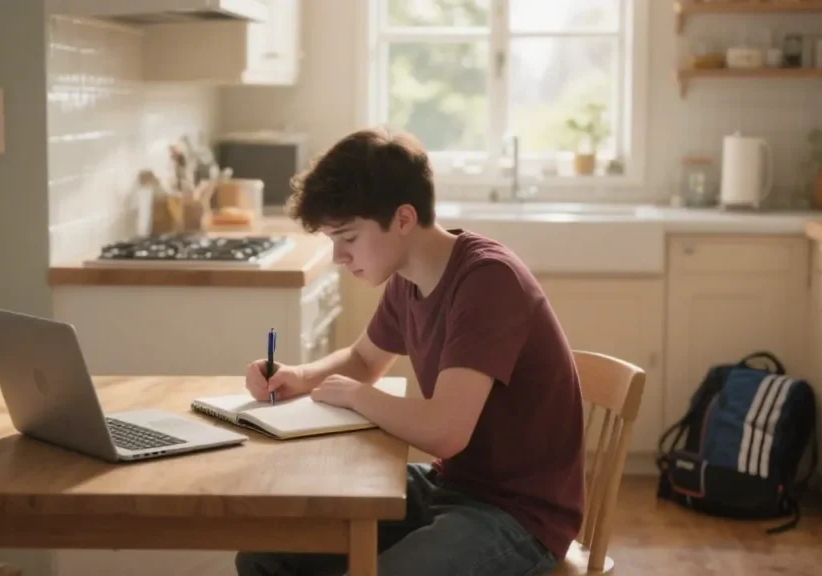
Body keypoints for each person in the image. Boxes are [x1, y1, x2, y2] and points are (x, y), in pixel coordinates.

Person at [236, 126, 585, 576]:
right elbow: (363, 361)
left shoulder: (488, 282)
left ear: (402, 219)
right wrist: (300, 377)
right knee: (266, 554)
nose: (339, 257)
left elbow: (445, 431)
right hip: (453, 485)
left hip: (519, 515)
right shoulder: (409, 278)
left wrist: (356, 395)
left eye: (348, 238)